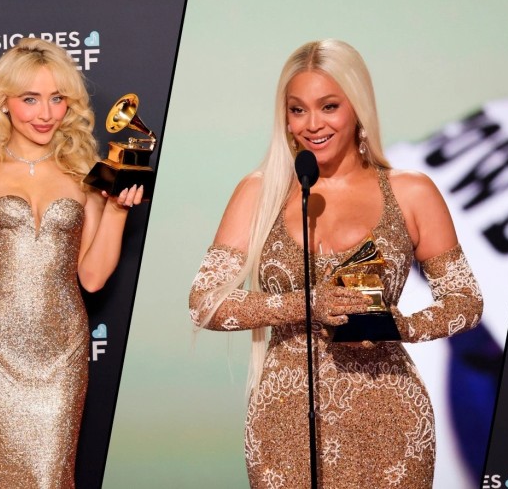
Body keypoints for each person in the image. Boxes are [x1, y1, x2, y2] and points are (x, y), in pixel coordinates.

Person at [189, 39, 483, 488]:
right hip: (283, 422)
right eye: (298, 110)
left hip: (389, 421)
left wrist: (400, 326)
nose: (312, 124)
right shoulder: (259, 192)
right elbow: (205, 303)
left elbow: (466, 300)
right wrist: (307, 304)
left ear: (357, 108)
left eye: (329, 106)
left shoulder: (410, 191)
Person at [0, 38, 143, 488]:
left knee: (50, 476)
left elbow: (92, 278)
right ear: (4, 102)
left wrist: (118, 210)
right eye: (31, 99)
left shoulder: (86, 174)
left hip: (62, 351)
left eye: (57, 99)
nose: (46, 113)